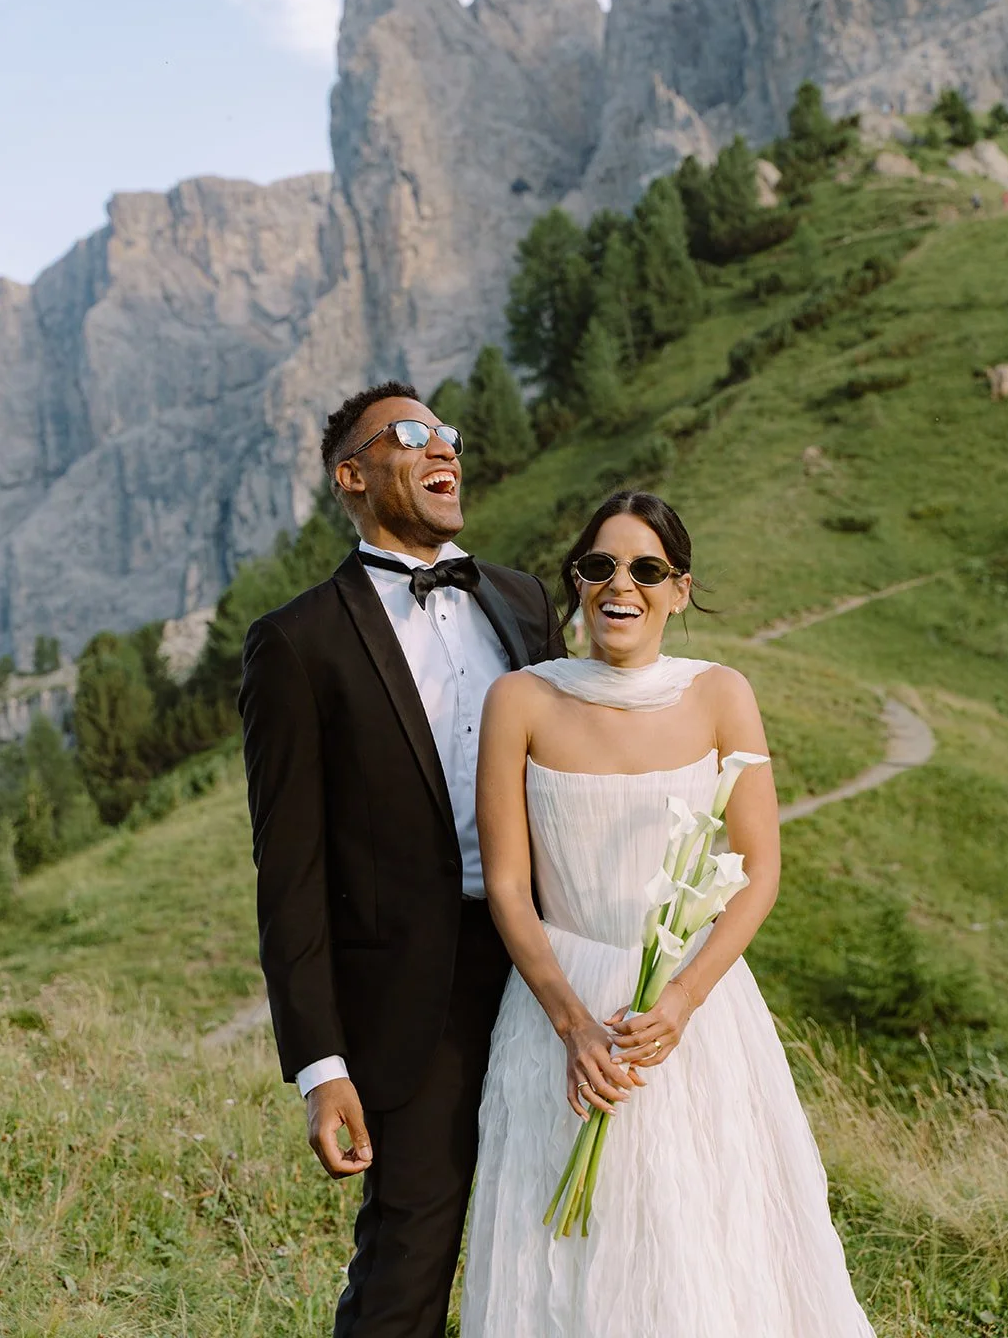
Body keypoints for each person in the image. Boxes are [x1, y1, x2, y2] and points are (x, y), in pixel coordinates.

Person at [461, 489, 875, 1336]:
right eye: (601, 566)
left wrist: (682, 1000)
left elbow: (760, 870)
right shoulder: (521, 702)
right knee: (566, 1245)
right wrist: (573, 1027)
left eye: (646, 569)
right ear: (577, 581)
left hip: (691, 1009)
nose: (623, 585)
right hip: (558, 1008)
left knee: (702, 1238)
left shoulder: (721, 695)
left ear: (679, 589)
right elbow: (507, 885)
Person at [238, 381, 565, 1338]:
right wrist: (318, 1064)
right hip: (415, 997)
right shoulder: (295, 644)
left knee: (563, 1229)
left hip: (550, 965)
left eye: (448, 434)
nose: (442, 449)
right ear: (353, 474)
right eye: (409, 436)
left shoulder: (521, 600)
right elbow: (286, 872)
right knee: (412, 1252)